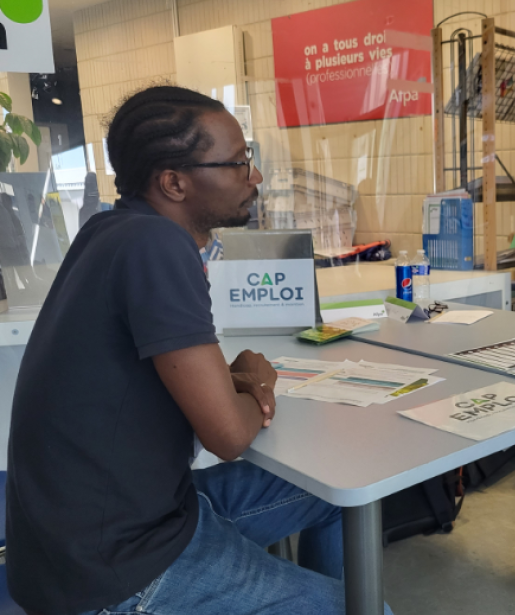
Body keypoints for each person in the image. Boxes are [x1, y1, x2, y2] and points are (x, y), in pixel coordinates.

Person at [6, 85, 393, 615]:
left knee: (336, 494)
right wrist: (259, 380)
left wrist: (226, 380)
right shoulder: (156, 246)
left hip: (86, 539)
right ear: (174, 182)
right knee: (368, 610)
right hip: (118, 568)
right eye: (238, 163)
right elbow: (230, 435)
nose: (254, 177)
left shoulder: (107, 231)